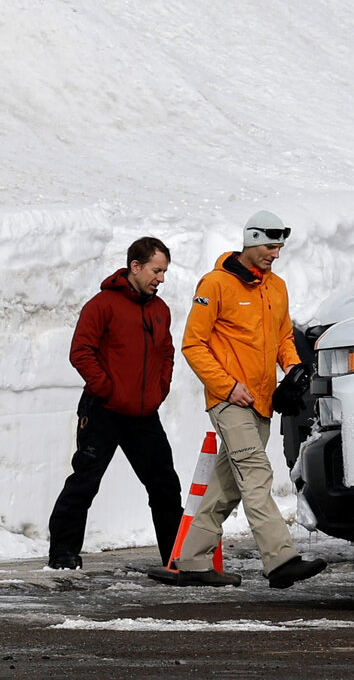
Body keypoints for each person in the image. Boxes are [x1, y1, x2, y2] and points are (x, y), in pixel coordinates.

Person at [150, 210, 327, 590]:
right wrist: (228, 387)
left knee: (227, 486)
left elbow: (283, 337)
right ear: (251, 241)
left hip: (261, 403)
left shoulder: (276, 287)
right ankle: (280, 559)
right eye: (269, 247)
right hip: (229, 402)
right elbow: (193, 345)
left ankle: (192, 561)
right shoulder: (215, 284)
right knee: (257, 474)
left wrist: (292, 369)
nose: (275, 254)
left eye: (279, 248)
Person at [46, 237, 184, 570]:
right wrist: (107, 389)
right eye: (156, 270)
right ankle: (63, 555)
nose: (161, 278)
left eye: (164, 272)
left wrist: (160, 389)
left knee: (165, 486)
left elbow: (167, 353)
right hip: (103, 410)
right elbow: (81, 351)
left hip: (144, 416)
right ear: (135, 266)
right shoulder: (102, 305)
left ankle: (176, 557)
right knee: (85, 481)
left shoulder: (160, 310)